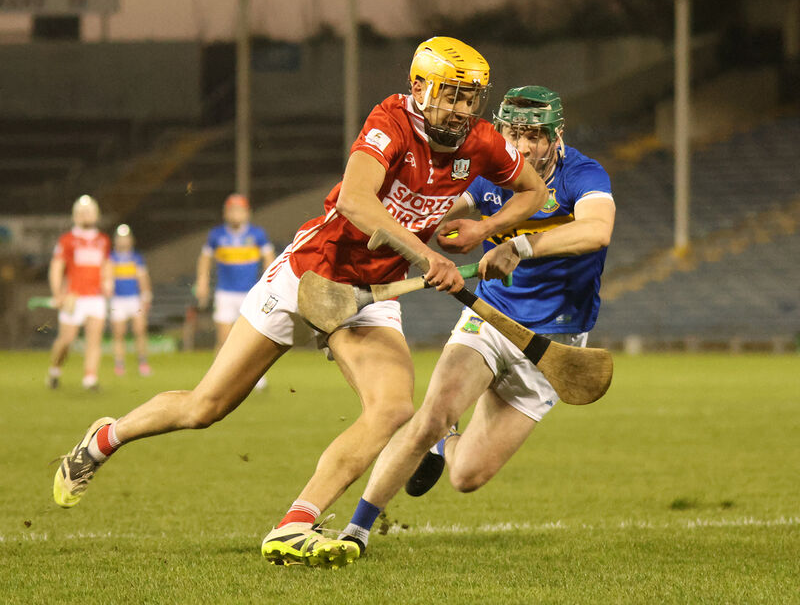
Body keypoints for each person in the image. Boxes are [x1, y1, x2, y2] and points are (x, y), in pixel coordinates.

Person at [52, 38, 548, 568]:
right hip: (314, 271)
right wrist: (426, 256)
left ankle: (296, 523)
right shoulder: (392, 120)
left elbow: (533, 190)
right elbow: (356, 201)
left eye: (471, 99)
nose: (463, 110)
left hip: (374, 293)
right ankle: (106, 437)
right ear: (420, 87)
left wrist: (486, 229)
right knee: (206, 407)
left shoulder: (483, 140)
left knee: (393, 408)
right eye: (452, 96)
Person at [337, 85, 616, 555]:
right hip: (488, 319)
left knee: (466, 476)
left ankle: (443, 447)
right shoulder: (489, 171)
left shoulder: (582, 175)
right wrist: (434, 240)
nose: (523, 147)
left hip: (553, 343)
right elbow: (441, 211)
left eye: (535, 137)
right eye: (514, 134)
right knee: (432, 414)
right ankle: (356, 530)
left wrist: (517, 245)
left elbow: (597, 229)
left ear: (557, 135)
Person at [195, 193, 276, 352]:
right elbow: (205, 259)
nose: (235, 214)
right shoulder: (217, 235)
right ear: (225, 213)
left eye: (239, 210)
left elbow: (269, 259)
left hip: (250, 293)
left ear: (247, 213)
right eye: (232, 210)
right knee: (224, 339)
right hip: (225, 293)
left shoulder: (257, 234)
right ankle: (220, 377)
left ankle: (257, 377)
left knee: (253, 339)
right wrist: (202, 281)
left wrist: (269, 285)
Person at [47, 195, 112, 391]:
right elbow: (56, 267)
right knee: (66, 340)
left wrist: (108, 282)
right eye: (82, 212)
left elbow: (106, 264)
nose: (86, 215)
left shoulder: (103, 240)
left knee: (94, 339)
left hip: (96, 297)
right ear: (75, 215)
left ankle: (90, 378)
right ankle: (54, 370)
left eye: (89, 211)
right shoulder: (67, 240)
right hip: (73, 297)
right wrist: (58, 293)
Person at [109, 224, 153, 377]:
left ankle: (143, 362)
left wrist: (146, 295)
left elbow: (143, 278)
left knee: (140, 331)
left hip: (134, 299)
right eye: (120, 238)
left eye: (126, 237)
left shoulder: (136, 258)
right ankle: (120, 365)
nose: (123, 241)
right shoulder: (111, 258)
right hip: (117, 300)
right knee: (119, 333)